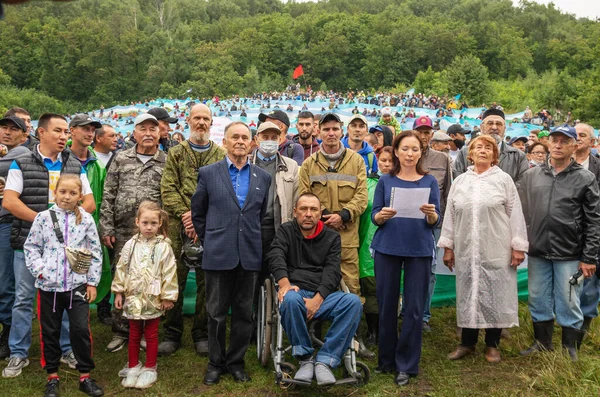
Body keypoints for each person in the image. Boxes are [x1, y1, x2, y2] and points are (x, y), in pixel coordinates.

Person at [2, 113, 95, 379]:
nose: (64, 136)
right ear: (41, 133)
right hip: (27, 244)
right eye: (58, 131)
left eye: (66, 131)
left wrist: (65, 224)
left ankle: (66, 350)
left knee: (64, 298)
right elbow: (9, 201)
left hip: (67, 250)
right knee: (23, 299)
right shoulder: (21, 162)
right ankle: (18, 353)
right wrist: (46, 222)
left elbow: (89, 204)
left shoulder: (75, 164)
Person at [191, 121, 271, 385]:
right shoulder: (208, 173)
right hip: (218, 253)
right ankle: (216, 363)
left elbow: (259, 216)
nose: (239, 141)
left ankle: (236, 362)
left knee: (243, 313)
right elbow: (198, 213)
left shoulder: (263, 177)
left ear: (251, 143)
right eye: (234, 137)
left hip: (248, 255)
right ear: (224, 142)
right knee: (215, 313)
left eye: (244, 137)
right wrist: (211, 239)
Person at [439, 135, 528, 363]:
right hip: (467, 248)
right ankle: (467, 343)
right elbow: (450, 214)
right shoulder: (461, 182)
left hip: (496, 246)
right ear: (470, 153)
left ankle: (492, 344)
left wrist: (518, 246)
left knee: (495, 292)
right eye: (478, 147)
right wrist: (448, 247)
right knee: (469, 291)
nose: (483, 151)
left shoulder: (503, 180)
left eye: (488, 148)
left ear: (494, 155)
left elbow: (515, 214)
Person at [518, 124, 600, 362]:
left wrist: (589, 257)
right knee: (538, 296)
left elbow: (594, 220)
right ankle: (542, 343)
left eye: (564, 141)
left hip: (570, 252)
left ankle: (569, 347)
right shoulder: (532, 175)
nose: (557, 145)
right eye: (554, 140)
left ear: (574, 146)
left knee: (569, 299)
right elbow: (520, 212)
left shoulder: (585, 178)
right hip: (538, 249)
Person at [266, 193, 362, 386]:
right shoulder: (285, 231)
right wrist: (284, 284)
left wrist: (318, 299)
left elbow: (333, 270)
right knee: (290, 299)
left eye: (313, 210)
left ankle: (326, 360)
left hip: (324, 295)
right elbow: (275, 256)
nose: (308, 214)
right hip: (295, 291)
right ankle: (305, 358)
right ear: (295, 212)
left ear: (320, 214)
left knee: (353, 302)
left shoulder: (332, 237)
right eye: (303, 209)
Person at [24, 174, 104, 397]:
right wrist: (41, 270)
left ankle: (85, 375)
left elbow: (95, 251)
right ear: (55, 192)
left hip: (77, 286)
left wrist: (91, 282)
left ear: (80, 196)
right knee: (50, 331)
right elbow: (31, 247)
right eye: (62, 192)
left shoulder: (86, 220)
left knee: (80, 330)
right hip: (48, 287)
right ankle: (52, 376)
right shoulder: (43, 218)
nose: (66, 197)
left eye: (72, 193)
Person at [371, 131, 440, 386]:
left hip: (419, 249)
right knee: (387, 305)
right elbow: (375, 215)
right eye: (405, 149)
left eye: (415, 149)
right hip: (388, 247)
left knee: (413, 309)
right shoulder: (385, 181)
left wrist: (431, 215)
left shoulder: (429, 181)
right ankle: (386, 360)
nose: (410, 153)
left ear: (421, 152)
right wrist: (382, 216)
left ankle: (407, 364)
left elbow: (436, 219)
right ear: (396, 151)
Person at [159, 103, 226, 357]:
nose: (201, 123)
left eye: (205, 119)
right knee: (173, 276)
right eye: (196, 118)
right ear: (188, 121)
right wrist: (188, 215)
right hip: (178, 224)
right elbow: (168, 188)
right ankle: (172, 331)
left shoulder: (220, 154)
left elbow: (222, 190)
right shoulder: (176, 153)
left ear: (211, 122)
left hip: (209, 225)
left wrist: (201, 218)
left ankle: (201, 332)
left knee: (207, 280)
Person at [100, 113, 166, 353]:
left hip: (152, 234)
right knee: (123, 279)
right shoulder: (120, 158)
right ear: (134, 133)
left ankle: (147, 328)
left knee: (150, 280)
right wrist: (106, 226)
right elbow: (108, 194)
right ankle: (121, 330)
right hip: (123, 231)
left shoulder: (165, 161)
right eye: (143, 128)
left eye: (153, 128)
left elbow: (167, 198)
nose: (148, 133)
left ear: (159, 133)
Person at [299, 113, 368, 297]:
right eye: (326, 129)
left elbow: (362, 195)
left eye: (335, 129)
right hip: (318, 234)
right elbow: (304, 197)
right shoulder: (308, 165)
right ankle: (314, 322)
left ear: (342, 131)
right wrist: (326, 215)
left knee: (351, 284)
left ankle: (351, 322)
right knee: (315, 281)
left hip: (347, 235)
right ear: (318, 132)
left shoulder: (356, 161)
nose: (331, 133)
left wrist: (343, 215)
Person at [112, 201, 178, 389]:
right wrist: (118, 292)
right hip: (133, 298)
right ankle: (133, 365)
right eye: (145, 223)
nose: (149, 227)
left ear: (159, 224)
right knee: (133, 333)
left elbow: (169, 272)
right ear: (137, 222)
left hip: (153, 298)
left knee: (151, 334)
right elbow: (121, 268)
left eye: (153, 223)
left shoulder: (164, 246)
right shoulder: (130, 245)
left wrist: (168, 296)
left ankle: (150, 367)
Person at [413, 116, 453, 332]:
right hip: (407, 221)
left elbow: (448, 191)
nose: (424, 135)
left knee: (429, 269)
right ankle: (405, 309)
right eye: (420, 131)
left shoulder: (442, 158)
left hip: (434, 223)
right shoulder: (403, 154)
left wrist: (445, 225)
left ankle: (424, 315)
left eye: (428, 132)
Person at [0, 116, 31, 359]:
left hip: (9, 223)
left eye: (14, 129)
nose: (7, 132)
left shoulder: (20, 153)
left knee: (7, 281)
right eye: (4, 127)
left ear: (25, 135)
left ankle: (9, 333)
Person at [572, 123, 600, 339]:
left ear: (592, 142)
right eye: (575, 135)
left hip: (593, 230)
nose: (578, 138)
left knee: (589, 279)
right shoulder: (556, 164)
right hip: (566, 233)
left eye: (583, 135)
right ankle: (566, 324)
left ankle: (583, 328)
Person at [454, 109, 529, 183]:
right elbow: (459, 182)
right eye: (490, 123)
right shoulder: (465, 153)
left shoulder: (518, 156)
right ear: (482, 127)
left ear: (505, 128)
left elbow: (522, 185)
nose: (494, 127)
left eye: (498, 124)